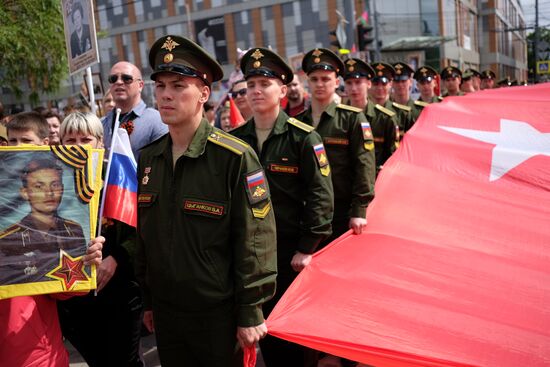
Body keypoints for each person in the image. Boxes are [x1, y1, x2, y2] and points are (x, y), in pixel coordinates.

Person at [135, 35, 277, 367]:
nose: (167, 94)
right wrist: (149, 300)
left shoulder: (234, 157)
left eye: (179, 85)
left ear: (203, 93)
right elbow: (147, 235)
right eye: (161, 85)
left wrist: (251, 309)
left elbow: (255, 239)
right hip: (168, 313)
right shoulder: (150, 158)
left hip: (218, 315)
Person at [231, 47, 334, 367]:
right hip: (247, 257)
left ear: (283, 90)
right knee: (252, 335)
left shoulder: (303, 137)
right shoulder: (235, 140)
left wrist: (306, 247)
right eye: (251, 85)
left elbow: (321, 194)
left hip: (289, 255)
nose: (256, 91)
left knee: (289, 344)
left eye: (265, 83)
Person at [56, 112, 144, 367]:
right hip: (73, 296)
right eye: (70, 139)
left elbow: (141, 229)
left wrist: (116, 259)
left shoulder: (118, 175)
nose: (78, 145)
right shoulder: (51, 182)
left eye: (86, 139)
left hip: (119, 292)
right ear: (60, 143)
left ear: (99, 143)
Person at [298, 48, 375, 244]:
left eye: (325, 79)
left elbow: (364, 165)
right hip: (308, 213)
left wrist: (359, 211)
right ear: (308, 82)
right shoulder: (297, 123)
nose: (320, 84)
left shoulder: (352, 118)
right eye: (314, 79)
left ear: (337, 82)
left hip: (343, 212)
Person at [0, 157, 85, 284]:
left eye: (54, 185)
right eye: (39, 186)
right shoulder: (9, 239)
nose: (49, 193)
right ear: (25, 193)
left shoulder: (74, 231)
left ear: (62, 189)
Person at [102, 61, 168, 159]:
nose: (119, 82)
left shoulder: (157, 120)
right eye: (113, 79)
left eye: (127, 78)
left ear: (140, 85)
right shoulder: (101, 124)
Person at [370, 62, 400, 169]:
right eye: (375, 83)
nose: (379, 87)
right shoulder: (361, 113)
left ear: (391, 83)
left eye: (384, 83)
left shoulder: (401, 113)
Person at [391, 62, 420, 137]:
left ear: (410, 82)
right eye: (397, 81)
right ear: (392, 83)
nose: (400, 84)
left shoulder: (419, 110)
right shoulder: (386, 111)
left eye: (403, 81)